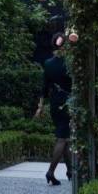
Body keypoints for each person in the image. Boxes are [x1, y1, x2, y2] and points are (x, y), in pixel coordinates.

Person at [34, 32, 74, 186]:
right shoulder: (69, 63)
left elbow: (44, 87)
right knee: (62, 138)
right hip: (67, 102)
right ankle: (50, 172)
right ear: (65, 46)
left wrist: (40, 107)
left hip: (54, 103)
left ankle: (70, 171)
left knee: (64, 136)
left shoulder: (48, 63)